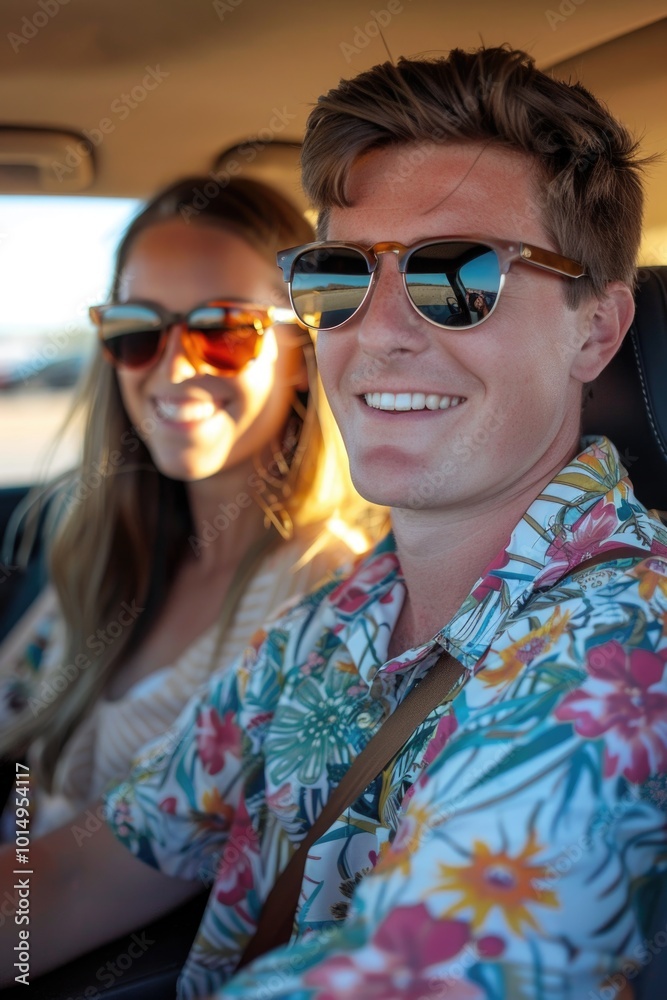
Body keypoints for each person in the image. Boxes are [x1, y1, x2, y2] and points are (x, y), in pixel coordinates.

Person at [1, 45, 666, 1000]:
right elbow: (71, 876)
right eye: (338, 278)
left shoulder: (621, 652)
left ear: (595, 330)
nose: (376, 330)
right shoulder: (334, 620)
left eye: (457, 277)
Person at [0, 175, 376, 837]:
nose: (173, 369)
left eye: (224, 329)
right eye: (138, 329)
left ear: (300, 353)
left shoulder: (327, 595)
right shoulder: (99, 549)